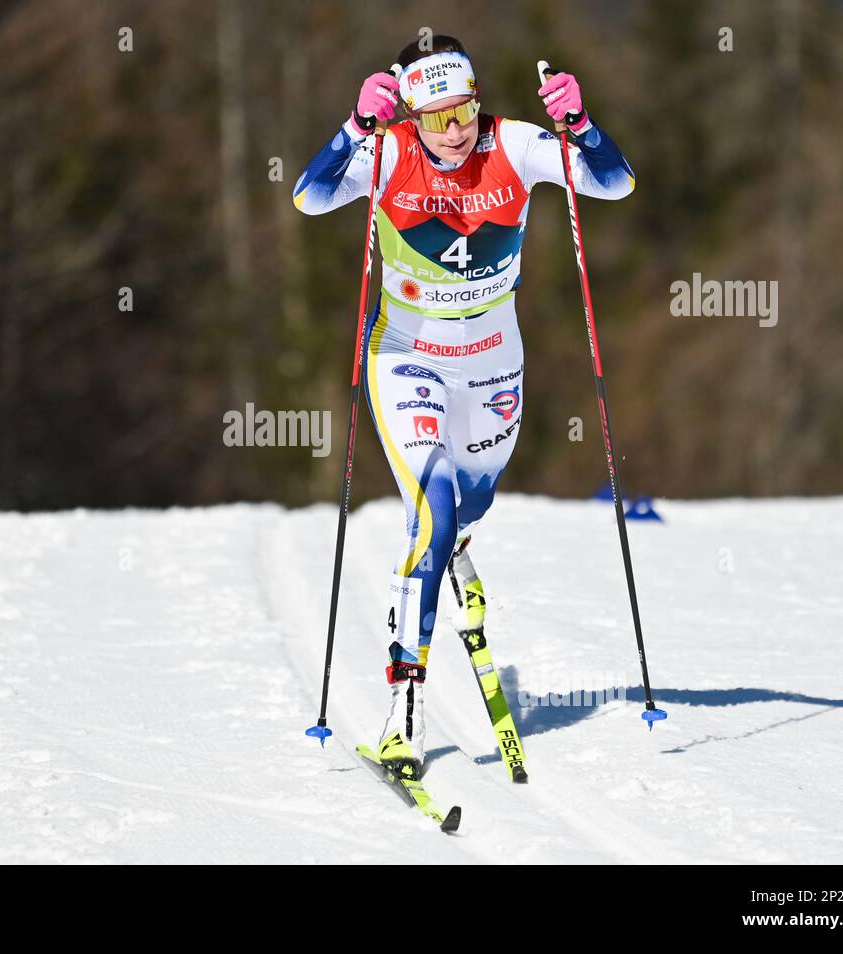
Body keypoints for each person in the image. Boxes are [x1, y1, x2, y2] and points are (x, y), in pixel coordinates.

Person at [293, 36, 635, 770]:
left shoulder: (513, 144)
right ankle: (404, 707)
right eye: (438, 117)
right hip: (407, 361)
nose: (455, 131)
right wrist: (354, 128)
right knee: (434, 510)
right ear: (411, 113)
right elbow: (310, 196)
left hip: (492, 369)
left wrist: (583, 127)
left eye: (466, 111)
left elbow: (614, 184)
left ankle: (456, 550)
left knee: (468, 511)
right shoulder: (386, 155)